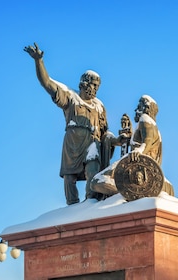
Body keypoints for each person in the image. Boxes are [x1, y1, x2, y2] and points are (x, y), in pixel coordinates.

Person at [24, 42, 114, 205]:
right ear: (83, 83)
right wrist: (39, 61)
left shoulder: (99, 106)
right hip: (73, 142)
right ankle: (72, 206)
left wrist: (114, 139)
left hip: (92, 143)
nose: (94, 89)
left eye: (97, 87)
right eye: (92, 85)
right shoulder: (71, 97)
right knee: (69, 175)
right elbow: (47, 83)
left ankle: (91, 201)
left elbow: (105, 130)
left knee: (93, 169)